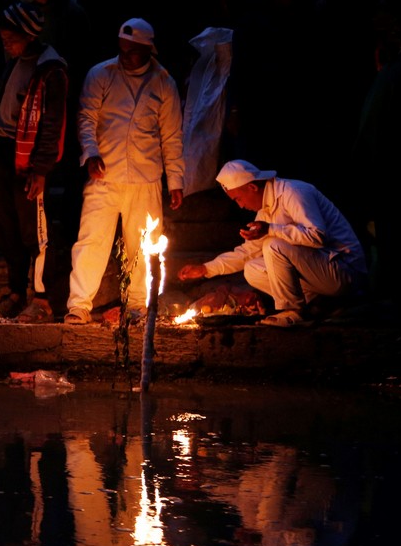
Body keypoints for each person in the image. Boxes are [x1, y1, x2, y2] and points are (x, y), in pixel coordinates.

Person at [64, 17, 184, 325]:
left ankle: (138, 305)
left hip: (145, 177)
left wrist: (175, 181)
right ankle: (79, 305)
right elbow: (86, 118)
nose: (125, 56)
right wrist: (90, 153)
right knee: (91, 240)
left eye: (132, 51)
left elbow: (171, 135)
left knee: (142, 244)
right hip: (104, 176)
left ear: (147, 49)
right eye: (122, 50)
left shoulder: (164, 83)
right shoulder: (101, 74)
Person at [177, 160, 368, 326]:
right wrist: (205, 269)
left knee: (273, 246)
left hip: (344, 271)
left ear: (252, 187)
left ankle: (293, 311)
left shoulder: (293, 192)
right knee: (252, 268)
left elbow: (317, 236)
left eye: (238, 198)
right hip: (322, 277)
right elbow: (248, 253)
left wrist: (271, 230)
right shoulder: (265, 211)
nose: (240, 205)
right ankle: (317, 305)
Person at [0, 2, 71, 322]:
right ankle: (15, 290)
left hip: (30, 159)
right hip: (5, 153)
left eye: (11, 39)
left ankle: (41, 299)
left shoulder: (51, 70)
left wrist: (40, 170)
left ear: (29, 35)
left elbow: (52, 124)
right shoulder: (14, 62)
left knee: (35, 231)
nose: (6, 45)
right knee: (7, 226)